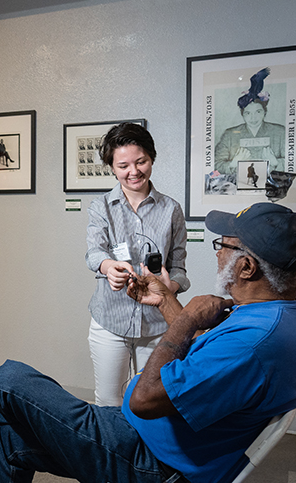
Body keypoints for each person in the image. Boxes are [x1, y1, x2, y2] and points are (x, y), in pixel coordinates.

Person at [0, 202, 296, 483]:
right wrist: (165, 300)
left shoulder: (254, 343)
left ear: (247, 267)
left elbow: (145, 400)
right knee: (12, 436)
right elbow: (204, 360)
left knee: (9, 380)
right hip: (154, 438)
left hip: (149, 461)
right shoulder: (274, 317)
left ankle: (0, 405)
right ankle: (7, 411)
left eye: (222, 245)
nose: (218, 253)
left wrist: (190, 319)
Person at [85, 122, 190, 406]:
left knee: (151, 404)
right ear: (112, 167)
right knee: (109, 402)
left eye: (141, 161)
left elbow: (178, 265)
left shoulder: (171, 209)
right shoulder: (101, 207)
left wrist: (171, 287)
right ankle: (111, 452)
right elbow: (94, 252)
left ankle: (142, 453)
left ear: (151, 158)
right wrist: (108, 267)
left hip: (158, 324)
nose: (134, 172)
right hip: (110, 319)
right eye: (123, 165)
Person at [214, 68, 286, 176]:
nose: (253, 118)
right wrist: (233, 163)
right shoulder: (229, 135)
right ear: (242, 114)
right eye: (248, 113)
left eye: (258, 112)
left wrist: (276, 162)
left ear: (265, 112)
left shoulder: (280, 132)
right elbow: (214, 165)